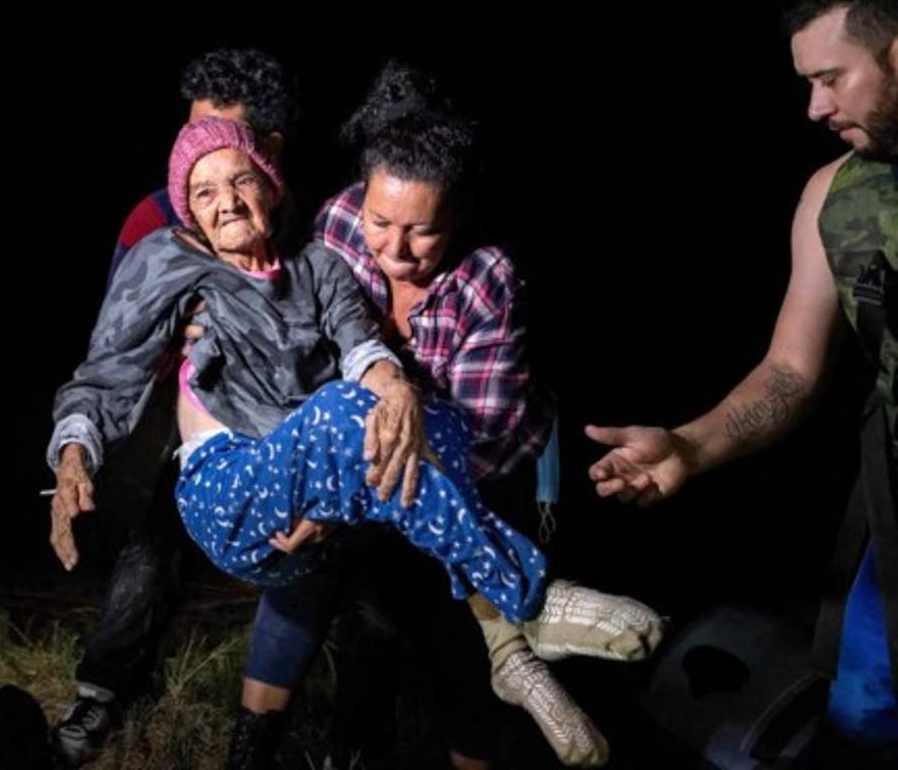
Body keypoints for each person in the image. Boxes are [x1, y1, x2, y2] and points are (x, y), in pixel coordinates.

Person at [50, 116, 651, 768]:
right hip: (227, 488)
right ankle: (525, 608)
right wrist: (75, 452)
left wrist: (393, 387)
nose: (225, 200)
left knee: (429, 420)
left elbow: (360, 344)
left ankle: (493, 649)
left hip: (317, 492)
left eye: (241, 179)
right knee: (346, 414)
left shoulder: (320, 266)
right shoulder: (170, 258)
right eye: (202, 191)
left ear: (273, 186)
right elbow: (107, 370)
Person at [586, 0, 897, 764]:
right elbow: (791, 369)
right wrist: (690, 443)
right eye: (805, 84)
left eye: (832, 78)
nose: (813, 107)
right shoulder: (834, 196)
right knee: (864, 720)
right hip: (894, 519)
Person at [50, 49, 300, 765]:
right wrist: (75, 448)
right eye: (188, 136)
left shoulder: (307, 224)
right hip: (175, 407)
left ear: (270, 154)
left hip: (280, 418)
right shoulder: (154, 223)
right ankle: (101, 690)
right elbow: (112, 355)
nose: (199, 165)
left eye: (222, 144)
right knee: (154, 542)